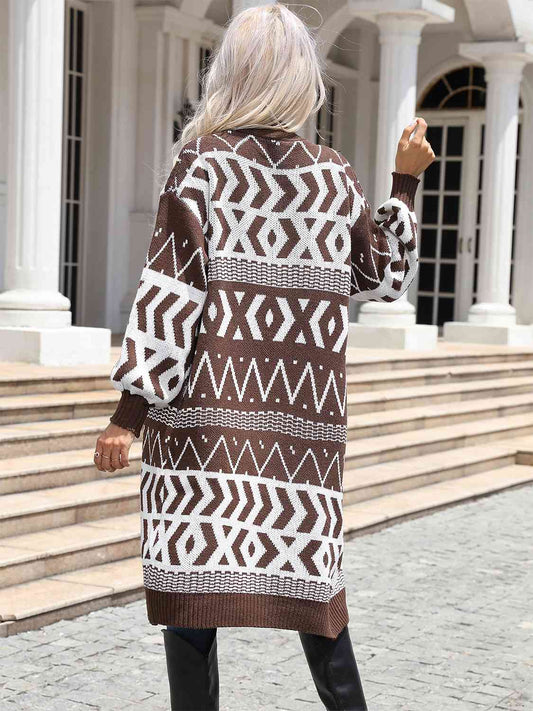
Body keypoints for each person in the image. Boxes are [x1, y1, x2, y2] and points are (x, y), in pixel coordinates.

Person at [93, 4, 434, 709]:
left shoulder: (202, 166)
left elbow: (169, 294)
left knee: (192, 596)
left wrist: (128, 413)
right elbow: (383, 277)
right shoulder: (332, 175)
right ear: (301, 78)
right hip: (301, 437)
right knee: (313, 593)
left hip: (204, 426)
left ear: (233, 74)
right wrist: (402, 184)